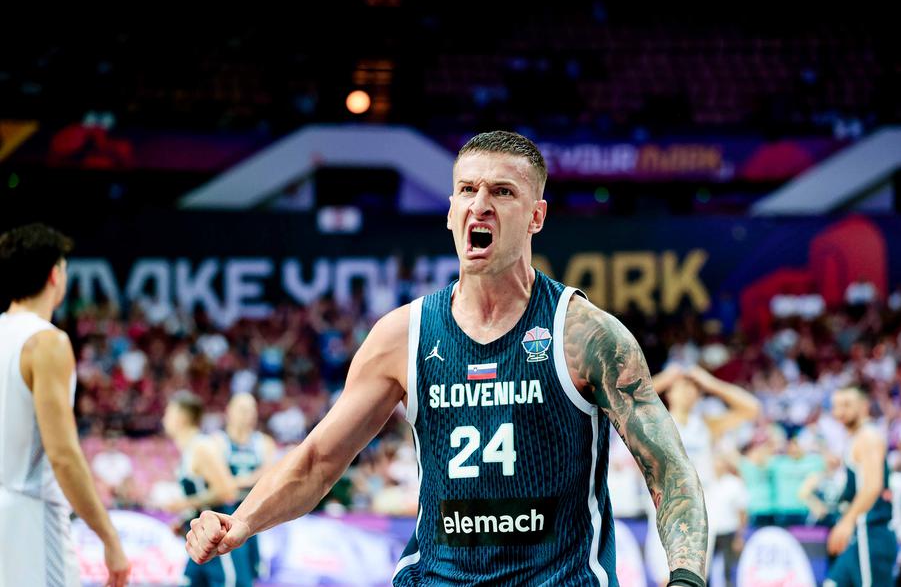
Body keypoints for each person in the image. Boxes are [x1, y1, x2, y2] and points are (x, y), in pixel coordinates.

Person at [187, 131, 709, 586]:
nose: (480, 204)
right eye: (466, 190)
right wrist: (241, 522)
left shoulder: (585, 334)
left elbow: (671, 473)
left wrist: (686, 577)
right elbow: (317, 462)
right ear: (451, 211)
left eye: (502, 191)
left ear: (536, 216)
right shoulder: (402, 335)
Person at [0, 223, 130, 587]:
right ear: (54, 275)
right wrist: (109, 537)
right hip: (30, 514)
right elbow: (63, 456)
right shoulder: (47, 343)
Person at [648, 363, 760, 583]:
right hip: (666, 507)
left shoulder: (706, 425)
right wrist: (665, 377)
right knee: (666, 579)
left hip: (701, 510)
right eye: (682, 385)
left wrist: (711, 383)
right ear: (669, 392)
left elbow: (752, 408)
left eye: (693, 386)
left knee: (693, 580)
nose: (688, 390)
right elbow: (625, 400)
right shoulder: (656, 422)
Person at [161, 391, 248, 586]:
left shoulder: (201, 447)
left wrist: (184, 504)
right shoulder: (190, 448)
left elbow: (227, 491)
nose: (163, 418)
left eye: (168, 412)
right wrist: (185, 520)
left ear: (181, 417)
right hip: (203, 541)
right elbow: (203, 496)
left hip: (220, 541)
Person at [824, 384, 897, 587]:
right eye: (836, 406)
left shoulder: (868, 436)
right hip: (858, 536)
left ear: (864, 406)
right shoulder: (855, 438)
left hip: (870, 532)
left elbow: (873, 486)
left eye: (847, 405)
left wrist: (846, 522)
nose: (840, 412)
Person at [213, 393, 276, 580]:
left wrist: (233, 482)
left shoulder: (264, 443)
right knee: (233, 573)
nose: (247, 414)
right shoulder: (218, 441)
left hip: (255, 515)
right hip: (225, 514)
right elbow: (220, 483)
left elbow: (270, 477)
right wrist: (252, 479)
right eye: (242, 409)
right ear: (229, 411)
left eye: (251, 410)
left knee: (252, 572)